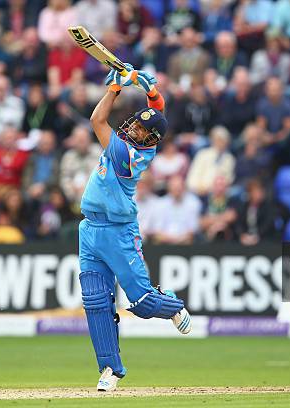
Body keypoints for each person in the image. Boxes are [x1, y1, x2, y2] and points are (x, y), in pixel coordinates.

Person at [78, 64, 192, 392]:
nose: (131, 128)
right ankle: (110, 369)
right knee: (95, 300)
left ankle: (171, 304)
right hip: (90, 230)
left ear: (150, 140)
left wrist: (114, 88)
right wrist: (151, 92)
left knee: (142, 304)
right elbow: (158, 113)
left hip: (119, 233)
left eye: (140, 130)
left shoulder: (129, 154)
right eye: (133, 124)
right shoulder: (136, 138)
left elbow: (97, 120)